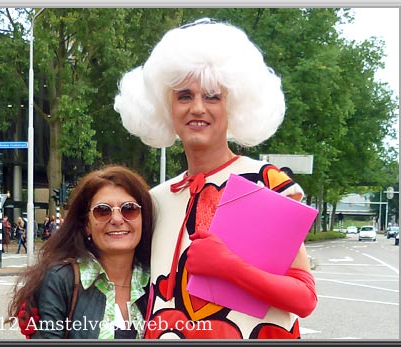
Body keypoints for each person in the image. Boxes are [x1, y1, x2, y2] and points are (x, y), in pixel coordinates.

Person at [114, 18, 317, 339]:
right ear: (166, 106)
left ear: (233, 105)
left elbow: (304, 298)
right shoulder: (156, 198)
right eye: (183, 96)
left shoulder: (264, 182)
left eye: (212, 97)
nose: (197, 108)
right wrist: (51, 291)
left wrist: (231, 268)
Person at [7, 165, 153, 339]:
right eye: (102, 211)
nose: (116, 219)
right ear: (87, 225)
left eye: (129, 209)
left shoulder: (159, 279)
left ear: (143, 219)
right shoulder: (61, 280)